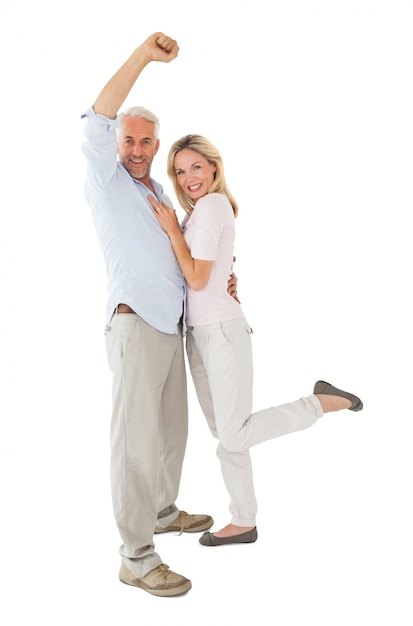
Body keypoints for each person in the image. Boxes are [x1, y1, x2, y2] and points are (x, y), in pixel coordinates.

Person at [80, 33, 239, 597]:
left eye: (148, 140)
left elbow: (188, 255)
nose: (139, 148)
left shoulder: (162, 197)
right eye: (130, 139)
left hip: (172, 327)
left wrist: (223, 275)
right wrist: (144, 57)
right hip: (134, 322)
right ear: (118, 142)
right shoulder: (107, 180)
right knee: (136, 442)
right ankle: (136, 557)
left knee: (173, 432)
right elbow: (96, 118)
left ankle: (162, 512)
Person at [148, 134, 364, 547]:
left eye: (196, 166)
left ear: (214, 166)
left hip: (222, 333)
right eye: (179, 171)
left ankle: (320, 403)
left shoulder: (211, 206)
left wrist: (172, 230)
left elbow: (195, 276)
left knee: (234, 434)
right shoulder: (198, 214)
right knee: (227, 432)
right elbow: (203, 275)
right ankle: (243, 520)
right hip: (199, 333)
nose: (188, 177)